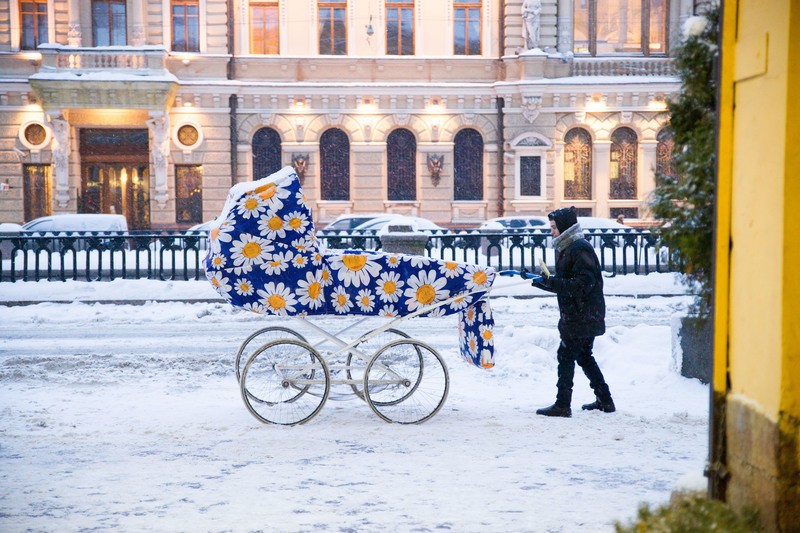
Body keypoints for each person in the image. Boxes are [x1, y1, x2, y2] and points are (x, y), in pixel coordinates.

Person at [529, 207, 615, 417]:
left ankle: (562, 404)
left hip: (582, 315)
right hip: (582, 314)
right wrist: (543, 282)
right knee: (584, 356)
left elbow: (583, 284)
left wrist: (553, 282)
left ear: (565, 227)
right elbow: (566, 283)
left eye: (554, 227)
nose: (552, 231)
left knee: (566, 354)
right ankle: (605, 400)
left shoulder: (578, 249)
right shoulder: (569, 248)